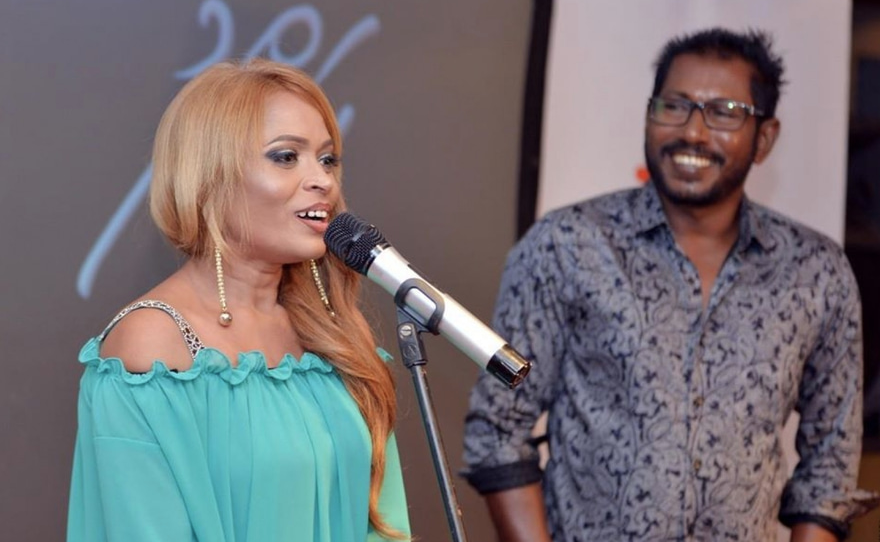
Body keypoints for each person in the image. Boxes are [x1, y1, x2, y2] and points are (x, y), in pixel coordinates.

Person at [461, 28, 878, 541]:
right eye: (674, 106)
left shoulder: (814, 271)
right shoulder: (568, 245)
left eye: (724, 112)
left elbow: (829, 465)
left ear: (765, 138)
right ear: (648, 115)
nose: (693, 133)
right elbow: (498, 428)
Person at [66, 59, 410, 542]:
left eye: (328, 159)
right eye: (286, 156)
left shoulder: (334, 330)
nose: (323, 181)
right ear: (211, 176)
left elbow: (383, 520)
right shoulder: (153, 345)